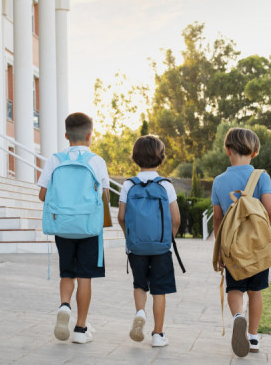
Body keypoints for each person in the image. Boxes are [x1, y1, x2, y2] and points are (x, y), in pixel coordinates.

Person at [37, 112, 110, 344]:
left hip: (63, 226)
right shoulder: (96, 161)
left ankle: (65, 305)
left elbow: (42, 195)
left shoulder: (54, 160)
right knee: (85, 277)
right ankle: (80, 328)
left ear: (66, 135)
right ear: (90, 135)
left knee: (67, 272)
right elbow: (105, 198)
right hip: (89, 228)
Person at [211, 127, 271, 357]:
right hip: (258, 247)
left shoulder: (219, 181)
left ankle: (238, 316)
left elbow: (218, 220)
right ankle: (253, 336)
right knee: (256, 291)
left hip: (232, 248)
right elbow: (270, 211)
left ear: (227, 150)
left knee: (235, 288)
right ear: (255, 152)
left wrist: (220, 251)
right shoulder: (261, 176)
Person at [117, 135, 180, 348]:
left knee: (140, 284)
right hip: (161, 247)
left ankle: (140, 312)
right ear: (161, 158)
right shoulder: (165, 185)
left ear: (135, 157)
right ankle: (158, 334)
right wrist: (168, 239)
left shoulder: (128, 185)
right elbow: (176, 219)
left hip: (136, 247)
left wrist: (130, 238)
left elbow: (121, 217)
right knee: (159, 290)